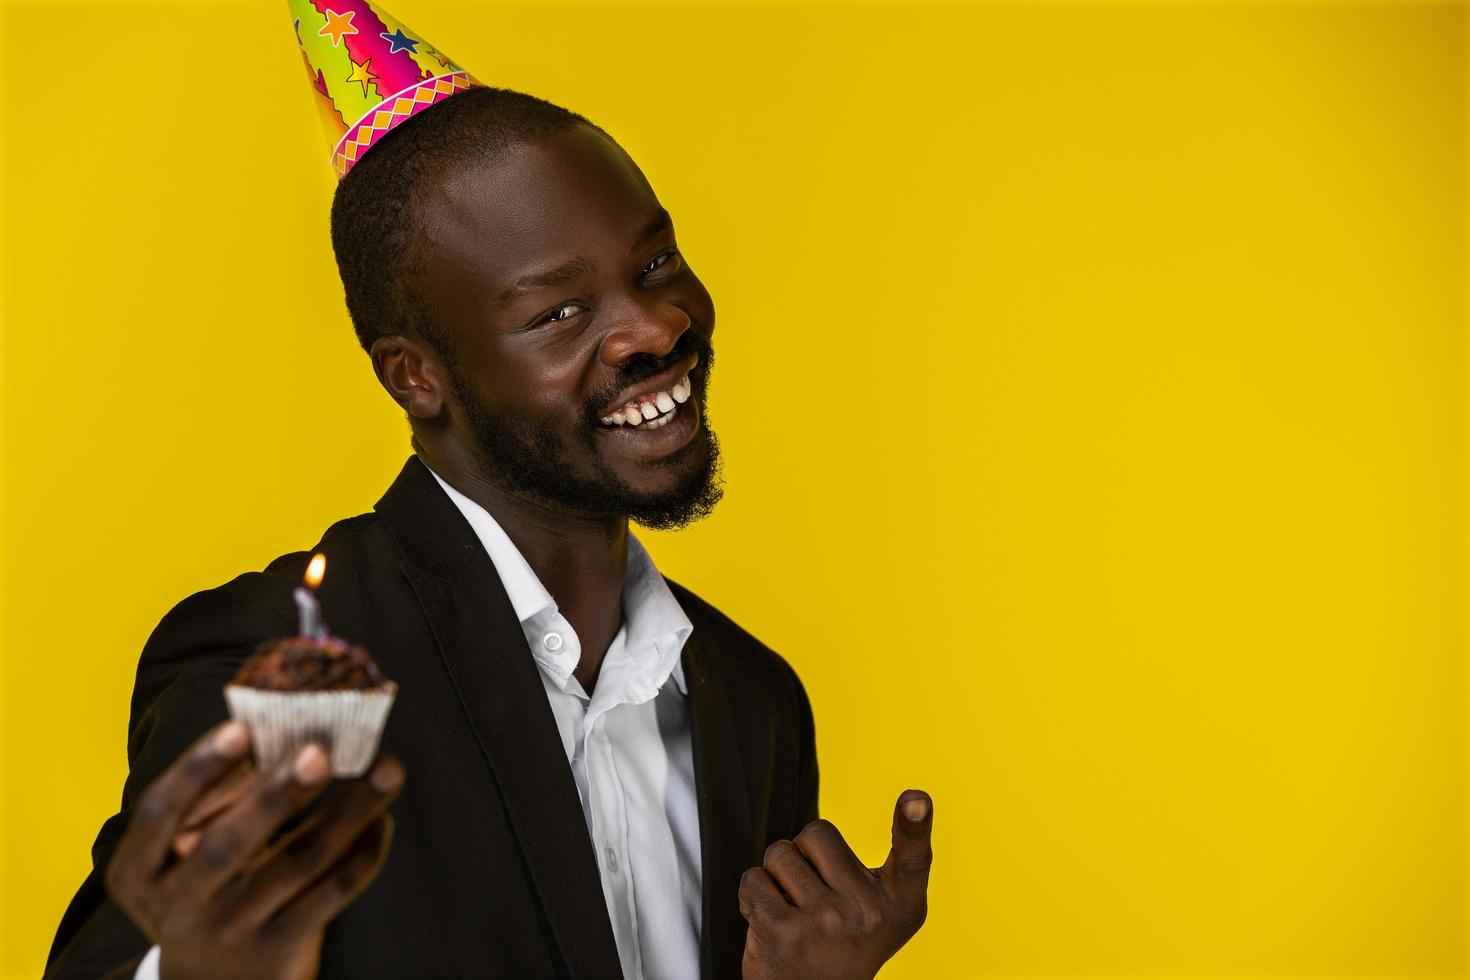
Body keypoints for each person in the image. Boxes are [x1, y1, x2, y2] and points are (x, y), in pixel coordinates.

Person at [44, 2, 934, 977]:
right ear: (415, 377)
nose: (654, 325)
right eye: (558, 311)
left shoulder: (754, 702)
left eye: (656, 262)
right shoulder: (295, 671)